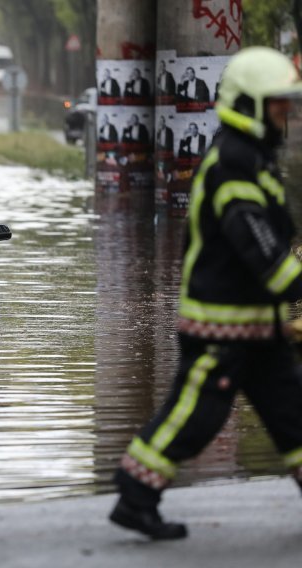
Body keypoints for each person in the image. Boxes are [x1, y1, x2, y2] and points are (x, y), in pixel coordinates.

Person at [109, 46, 302, 540]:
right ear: (250, 105)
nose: (287, 114)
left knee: (292, 412)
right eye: (279, 105)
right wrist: (293, 286)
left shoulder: (252, 156)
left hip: (257, 323)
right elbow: (259, 247)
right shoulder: (234, 163)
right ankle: (135, 493)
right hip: (221, 325)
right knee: (196, 415)